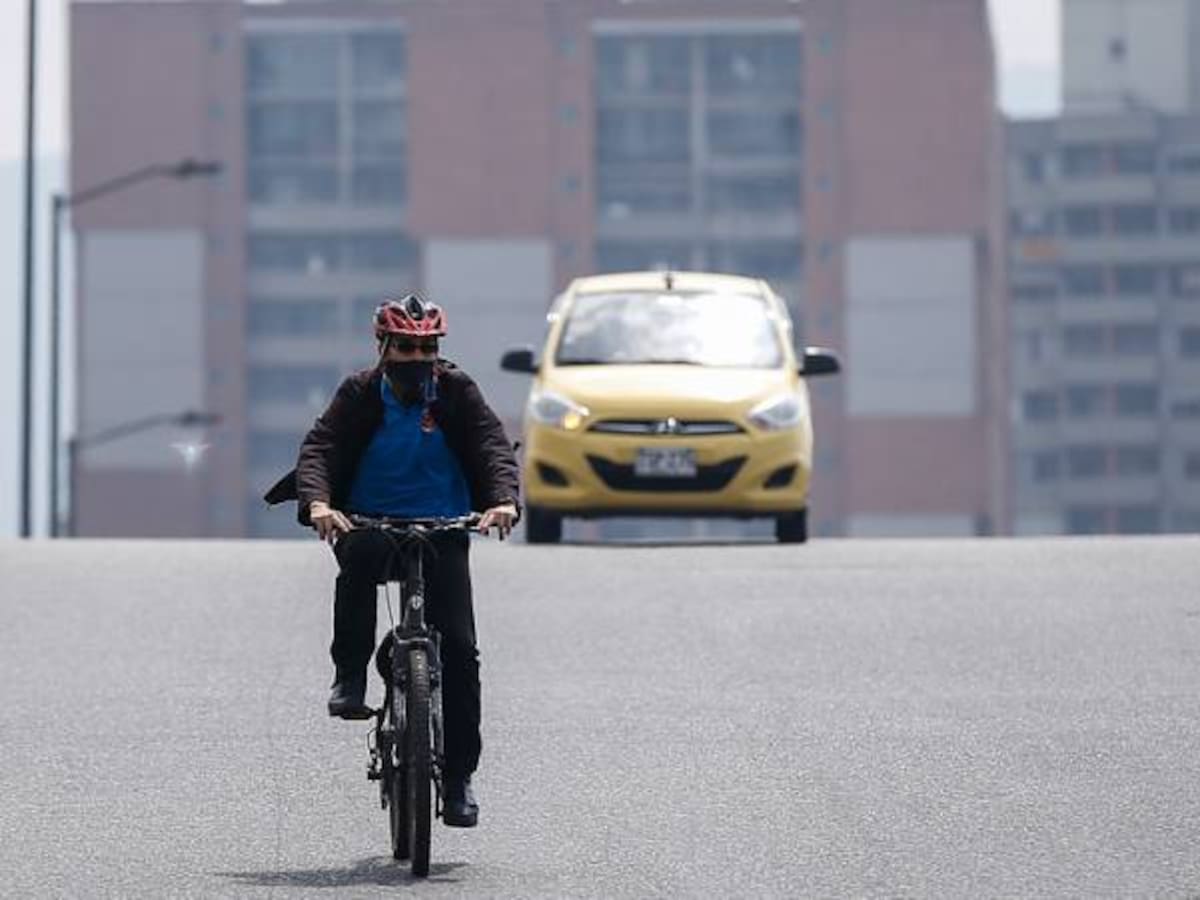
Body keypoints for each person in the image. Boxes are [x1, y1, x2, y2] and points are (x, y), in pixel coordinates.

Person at [264, 292, 520, 828]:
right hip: (369, 520)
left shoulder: (455, 392)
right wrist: (320, 505)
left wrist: (502, 501)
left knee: (461, 651)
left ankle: (456, 781)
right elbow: (321, 449)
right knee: (357, 564)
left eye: (426, 347)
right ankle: (350, 675)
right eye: (405, 347)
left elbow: (492, 444)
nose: (416, 358)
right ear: (383, 347)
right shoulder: (359, 394)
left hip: (444, 526)